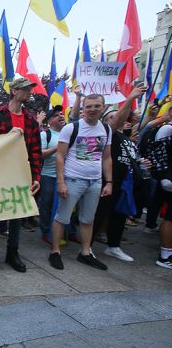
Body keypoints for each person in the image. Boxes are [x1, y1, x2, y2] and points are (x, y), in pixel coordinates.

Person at [0, 77, 42, 273]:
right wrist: (7, 138)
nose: (29, 92)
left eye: (30, 89)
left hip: (21, 174)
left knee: (17, 216)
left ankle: (12, 253)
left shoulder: (31, 121)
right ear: (14, 91)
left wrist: (36, 178)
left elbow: (36, 152)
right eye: (25, 89)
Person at [50, 94, 113, 271]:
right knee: (62, 217)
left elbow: (107, 158)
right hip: (72, 179)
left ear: (103, 107)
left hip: (95, 182)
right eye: (89, 106)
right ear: (83, 108)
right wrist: (61, 182)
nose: (92, 110)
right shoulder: (71, 128)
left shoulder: (106, 130)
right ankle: (55, 252)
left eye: (96, 106)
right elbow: (60, 156)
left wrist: (109, 182)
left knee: (88, 219)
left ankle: (85, 252)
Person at [91, 86, 147, 263]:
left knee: (119, 215)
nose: (118, 118)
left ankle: (113, 246)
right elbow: (116, 122)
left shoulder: (128, 139)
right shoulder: (109, 133)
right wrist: (130, 99)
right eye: (112, 117)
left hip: (126, 184)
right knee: (100, 214)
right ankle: (88, 246)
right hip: (109, 181)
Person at [39, 106, 67, 244]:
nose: (61, 116)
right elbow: (40, 154)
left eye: (62, 114)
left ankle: (62, 232)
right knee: (47, 205)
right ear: (50, 121)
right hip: (48, 176)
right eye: (57, 115)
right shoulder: (45, 134)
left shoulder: (69, 133)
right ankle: (46, 232)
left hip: (65, 177)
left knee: (64, 206)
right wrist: (58, 147)